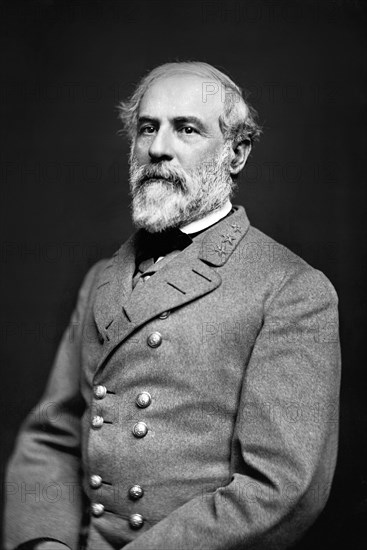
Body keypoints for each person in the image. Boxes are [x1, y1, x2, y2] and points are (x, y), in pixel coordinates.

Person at [3, 61, 341, 550]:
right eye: (147, 128)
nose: (158, 148)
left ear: (236, 153)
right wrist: (43, 541)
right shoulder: (100, 278)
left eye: (186, 129)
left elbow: (281, 489)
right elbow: (50, 436)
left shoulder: (292, 290)